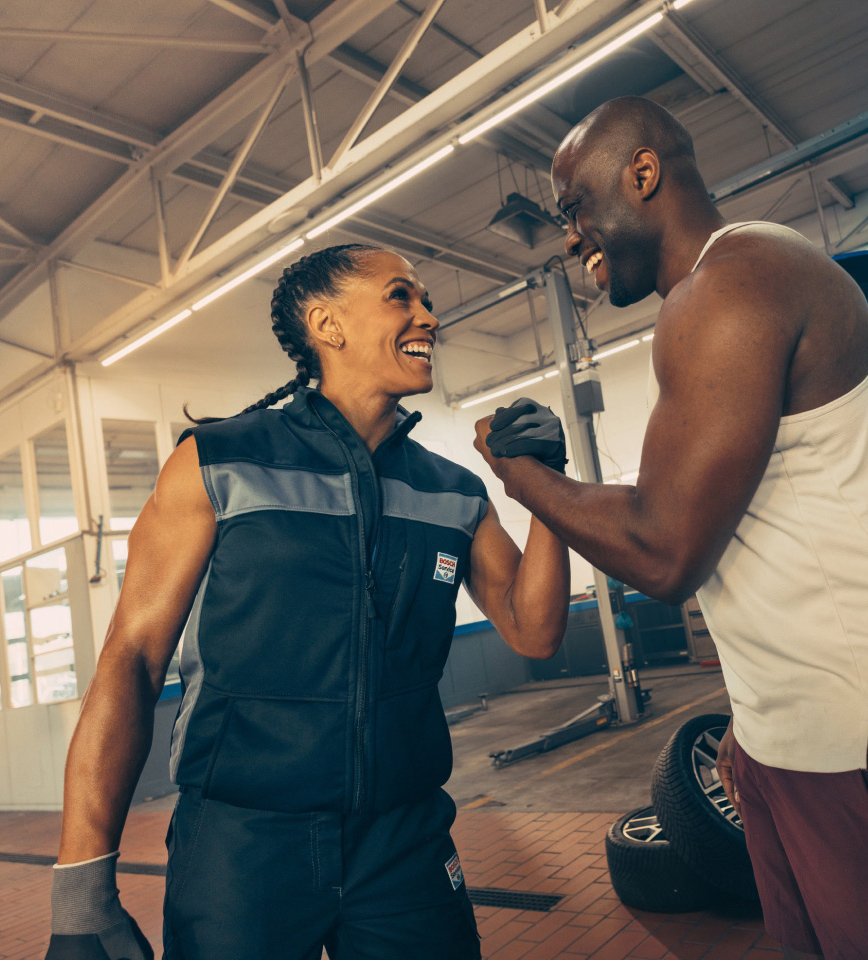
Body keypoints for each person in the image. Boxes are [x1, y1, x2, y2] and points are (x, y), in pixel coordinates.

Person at [475, 97, 868, 959]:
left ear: (642, 173)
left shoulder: (735, 284)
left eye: (575, 207)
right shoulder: (716, 294)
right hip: (798, 733)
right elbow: (755, 532)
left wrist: (523, 477)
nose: (568, 237)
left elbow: (663, 550)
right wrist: (759, 719)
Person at [45, 244, 573, 960]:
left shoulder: (453, 491)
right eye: (401, 296)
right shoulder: (218, 462)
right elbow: (132, 660)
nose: (428, 316)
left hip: (404, 841)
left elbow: (535, 632)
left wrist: (543, 487)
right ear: (328, 324)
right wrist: (82, 899)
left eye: (425, 300)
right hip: (240, 846)